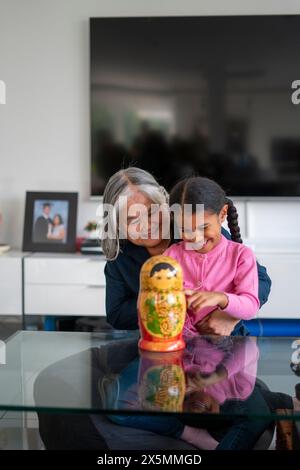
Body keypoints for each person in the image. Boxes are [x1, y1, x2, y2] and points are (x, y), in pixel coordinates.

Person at [102, 167, 271, 336]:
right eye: (132, 219)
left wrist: (227, 315)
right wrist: (161, 300)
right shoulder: (121, 256)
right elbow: (117, 315)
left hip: (228, 341)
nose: (147, 225)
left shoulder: (197, 229)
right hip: (171, 343)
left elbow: (260, 281)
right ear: (117, 225)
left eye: (152, 211)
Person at [164, 176, 259, 336]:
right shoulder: (171, 256)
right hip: (184, 348)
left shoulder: (241, 255)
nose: (195, 236)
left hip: (231, 349)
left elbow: (250, 307)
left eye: (203, 227)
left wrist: (221, 298)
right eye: (185, 229)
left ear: (222, 214)